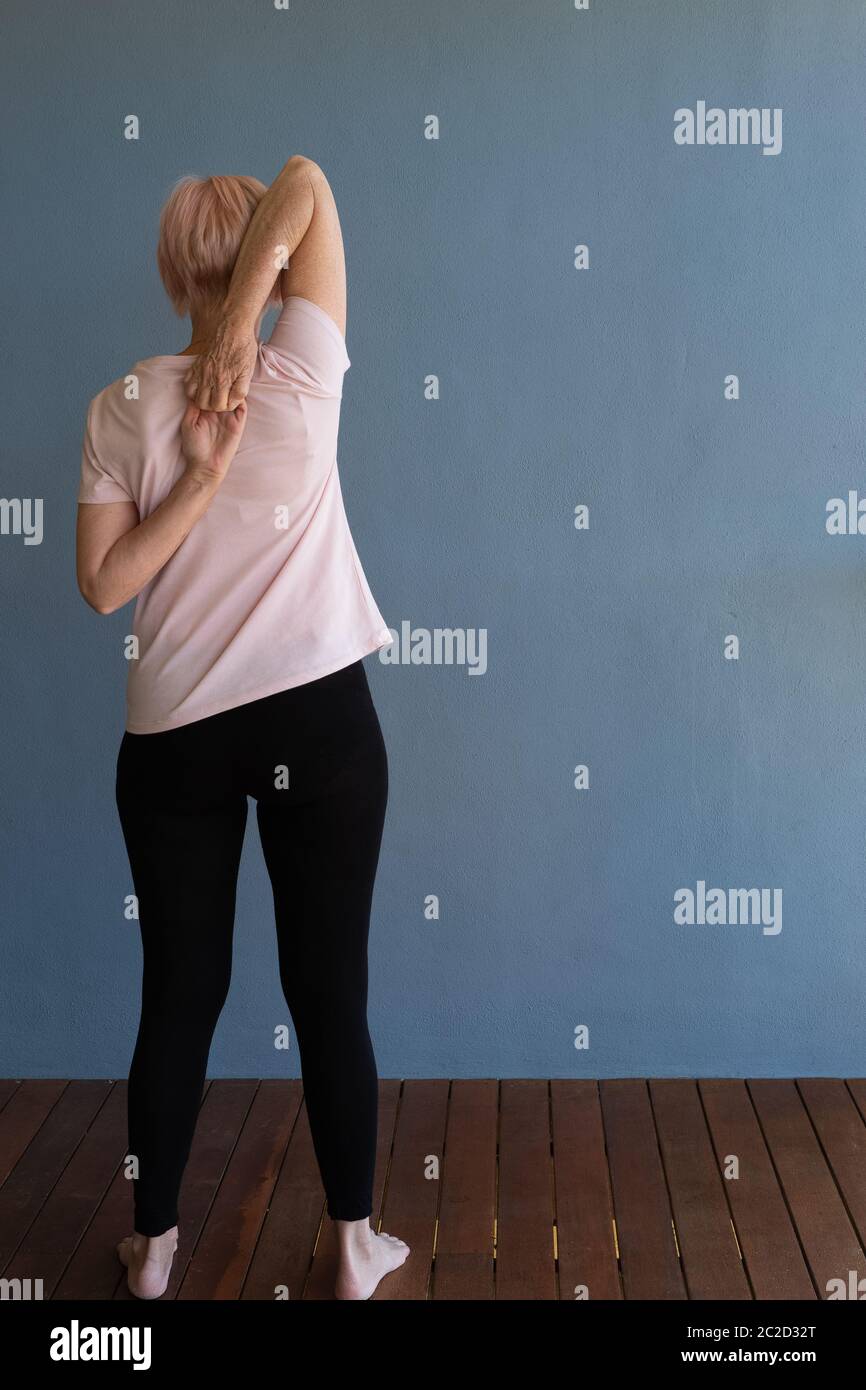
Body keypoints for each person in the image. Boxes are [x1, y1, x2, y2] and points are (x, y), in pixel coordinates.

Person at [76, 156, 408, 1300]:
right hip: (319, 722)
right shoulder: (301, 364)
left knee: (179, 990)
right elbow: (311, 178)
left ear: (174, 275)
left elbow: (106, 587)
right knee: (331, 991)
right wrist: (248, 324)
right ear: (264, 275)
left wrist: (189, 482)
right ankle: (355, 1246)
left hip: (174, 741)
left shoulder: (119, 404)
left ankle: (154, 1249)